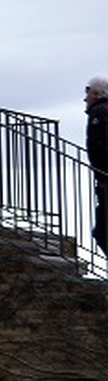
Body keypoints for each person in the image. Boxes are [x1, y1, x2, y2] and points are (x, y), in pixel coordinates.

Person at [87, 76, 108, 253]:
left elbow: (99, 147)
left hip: (105, 180)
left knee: (102, 232)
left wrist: (101, 173)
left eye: (88, 91)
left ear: (96, 93)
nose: (85, 98)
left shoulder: (98, 113)